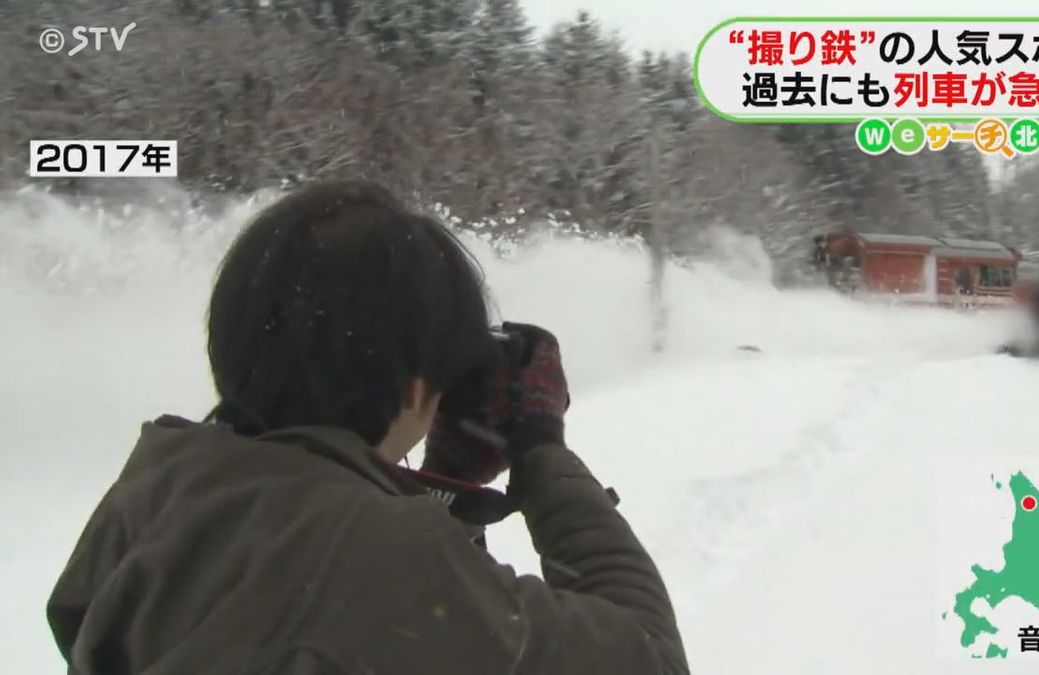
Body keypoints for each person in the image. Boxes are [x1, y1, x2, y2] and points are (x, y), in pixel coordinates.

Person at [46, 181, 689, 674]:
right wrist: (541, 448)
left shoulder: (156, 488)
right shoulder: (377, 549)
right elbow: (649, 657)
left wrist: (446, 482)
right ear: (416, 384)